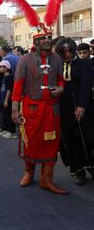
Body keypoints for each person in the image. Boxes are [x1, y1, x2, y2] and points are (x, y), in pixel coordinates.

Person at [0, 0, 69, 194]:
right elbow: (17, 86)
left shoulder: (56, 59)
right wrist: (14, 110)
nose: (48, 40)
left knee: (51, 143)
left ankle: (47, 179)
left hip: (51, 110)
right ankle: (28, 173)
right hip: (31, 110)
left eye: (49, 37)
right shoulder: (25, 60)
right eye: (44, 38)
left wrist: (61, 89)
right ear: (36, 42)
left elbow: (62, 80)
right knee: (30, 143)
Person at [55, 38, 94, 185]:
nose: (67, 54)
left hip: (84, 107)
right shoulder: (56, 65)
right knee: (71, 140)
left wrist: (82, 105)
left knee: (88, 138)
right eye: (63, 51)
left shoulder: (84, 64)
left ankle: (92, 167)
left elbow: (86, 85)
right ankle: (79, 171)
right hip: (64, 109)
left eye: (69, 51)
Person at [0, 60, 17, 139]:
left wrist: (6, 99)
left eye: (1, 67)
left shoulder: (9, 77)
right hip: (4, 98)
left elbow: (9, 89)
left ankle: (12, 132)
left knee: (9, 116)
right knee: (5, 114)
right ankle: (6, 129)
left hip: (8, 99)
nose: (0, 68)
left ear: (6, 68)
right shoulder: (4, 77)